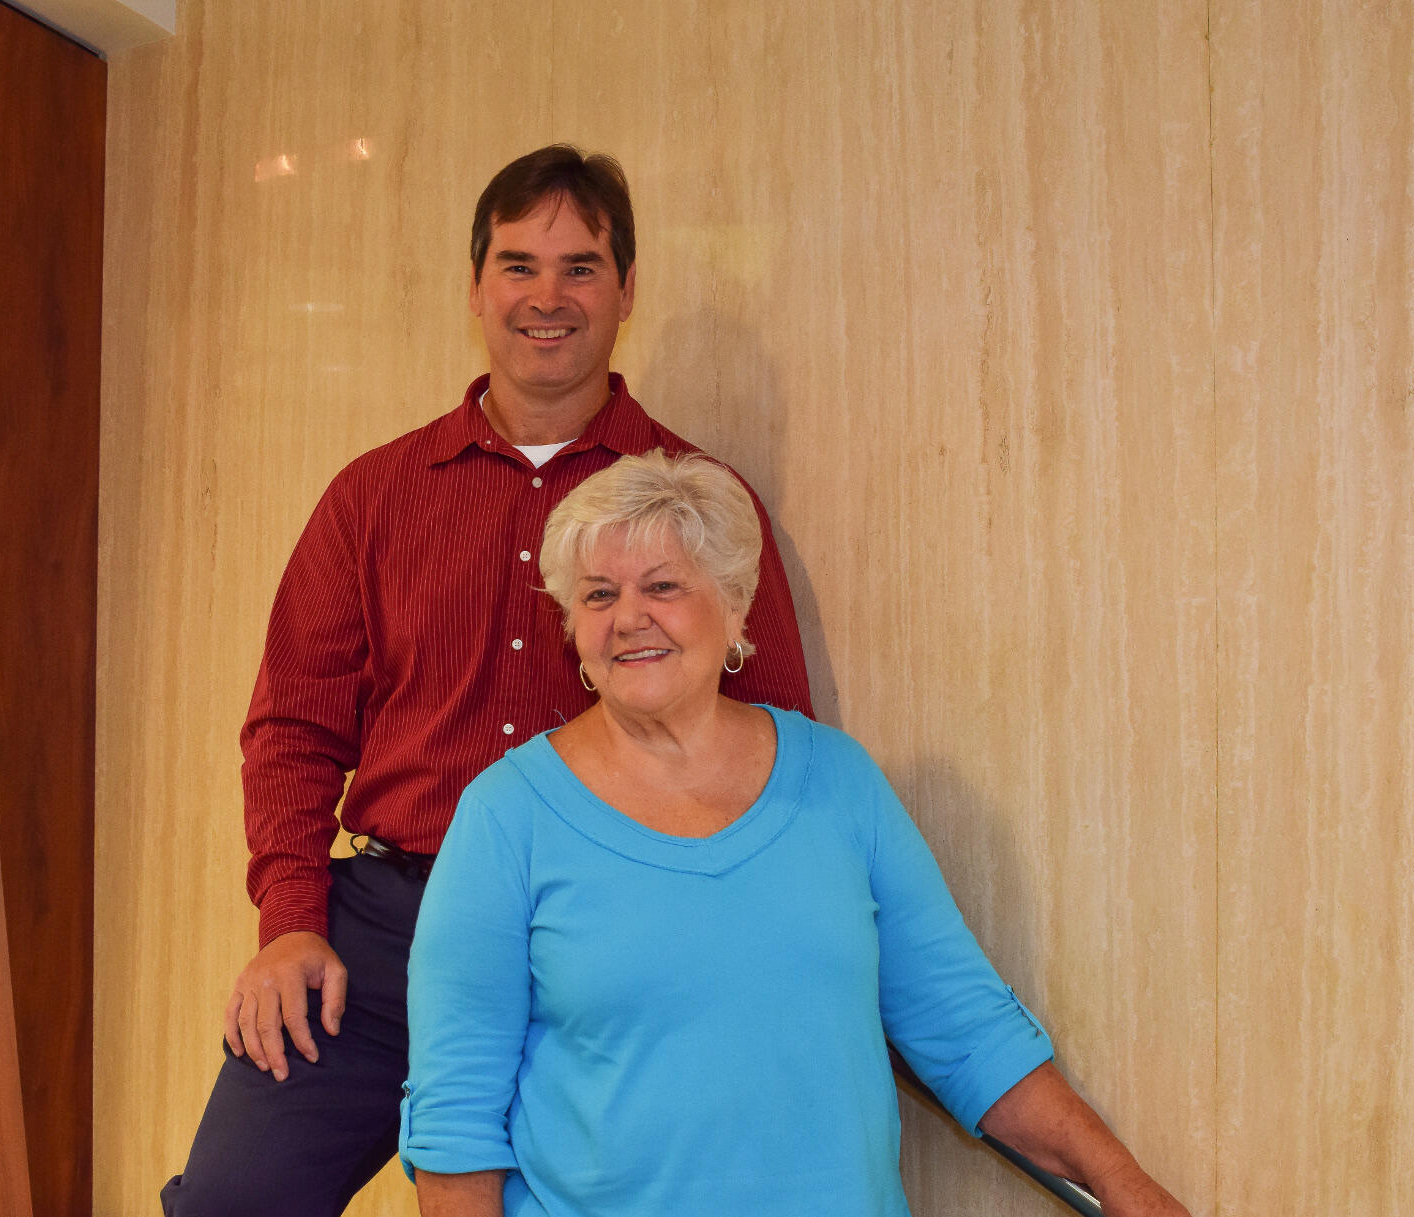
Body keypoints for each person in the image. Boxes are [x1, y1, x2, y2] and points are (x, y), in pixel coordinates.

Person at [161, 147, 814, 1217]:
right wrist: (289, 919)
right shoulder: (371, 497)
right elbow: (291, 727)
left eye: (580, 267)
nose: (547, 297)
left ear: (626, 290)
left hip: (601, 927)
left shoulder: (700, 502)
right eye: (518, 265)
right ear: (475, 290)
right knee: (229, 1200)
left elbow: (776, 730)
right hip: (381, 933)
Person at [401, 450, 1192, 1217]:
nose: (628, 617)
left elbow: (964, 1025)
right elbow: (455, 1111)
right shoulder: (508, 814)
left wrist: (1125, 1183)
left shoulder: (838, 781)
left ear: (738, 608)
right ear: (571, 625)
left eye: (663, 586)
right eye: (598, 594)